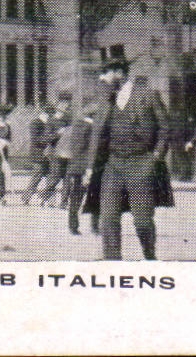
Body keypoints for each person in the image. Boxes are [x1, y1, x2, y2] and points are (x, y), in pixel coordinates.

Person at [84, 55, 170, 260]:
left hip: (141, 162)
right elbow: (97, 134)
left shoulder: (148, 95)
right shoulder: (106, 99)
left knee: (142, 219)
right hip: (113, 165)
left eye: (106, 74)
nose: (102, 78)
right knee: (108, 217)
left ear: (120, 73)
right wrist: (90, 168)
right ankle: (112, 261)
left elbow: (165, 128)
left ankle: (150, 256)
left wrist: (156, 156)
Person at [58, 104, 97, 235]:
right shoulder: (88, 127)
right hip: (85, 167)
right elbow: (84, 148)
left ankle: (75, 226)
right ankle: (89, 226)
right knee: (86, 196)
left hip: (77, 166)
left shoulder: (78, 125)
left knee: (77, 197)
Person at [22, 104, 55, 203]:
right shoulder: (36, 123)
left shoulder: (50, 124)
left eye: (51, 114)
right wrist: (51, 138)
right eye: (49, 114)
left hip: (49, 153)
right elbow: (36, 139)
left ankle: (47, 199)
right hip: (38, 153)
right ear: (44, 113)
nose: (50, 117)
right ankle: (26, 197)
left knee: (51, 176)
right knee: (37, 175)